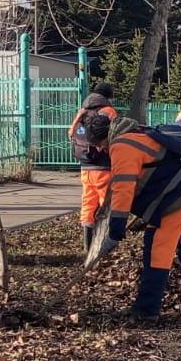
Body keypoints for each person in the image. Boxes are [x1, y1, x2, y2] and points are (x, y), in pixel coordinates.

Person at [84, 114, 181, 322]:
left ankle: (147, 310)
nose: (99, 150)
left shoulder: (121, 146)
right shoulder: (139, 133)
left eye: (97, 144)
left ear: (104, 138)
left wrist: (116, 228)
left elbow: (123, 187)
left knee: (157, 246)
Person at [68, 83, 119, 249]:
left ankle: (87, 242)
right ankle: (104, 242)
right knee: (106, 202)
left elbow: (71, 133)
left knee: (88, 201)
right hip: (103, 164)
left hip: (85, 164)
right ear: (108, 96)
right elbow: (116, 135)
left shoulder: (83, 110)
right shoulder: (108, 111)